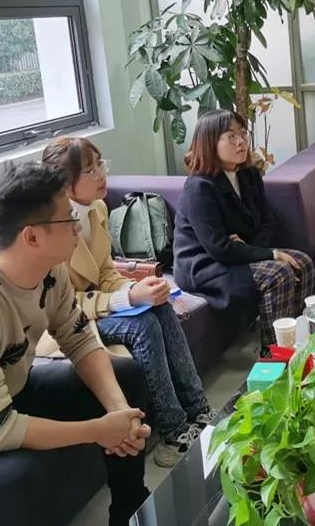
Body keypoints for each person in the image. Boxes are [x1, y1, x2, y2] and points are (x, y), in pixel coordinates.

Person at [0, 162, 151, 525]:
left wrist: (118, 413)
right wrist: (99, 430)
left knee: (126, 377)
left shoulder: (51, 270)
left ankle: (130, 512)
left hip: (11, 387)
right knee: (16, 479)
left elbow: (79, 339)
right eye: (69, 219)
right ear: (32, 237)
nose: (78, 228)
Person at [41, 137, 214, 468]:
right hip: (62, 323)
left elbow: (106, 271)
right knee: (142, 325)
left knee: (159, 305)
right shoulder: (52, 227)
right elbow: (60, 305)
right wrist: (127, 297)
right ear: (63, 182)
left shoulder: (97, 208)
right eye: (90, 170)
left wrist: (139, 288)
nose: (101, 174)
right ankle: (174, 431)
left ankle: (199, 409)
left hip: (96, 306)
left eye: (100, 164)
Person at [172, 109, 314, 349]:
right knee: (278, 272)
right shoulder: (199, 187)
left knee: (302, 263)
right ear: (210, 142)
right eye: (231, 136)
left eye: (243, 133)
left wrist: (250, 249)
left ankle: (297, 344)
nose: (241, 141)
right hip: (206, 267)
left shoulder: (249, 174)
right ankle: (274, 354)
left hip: (238, 255)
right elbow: (219, 248)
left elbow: (268, 221)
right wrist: (270, 254)